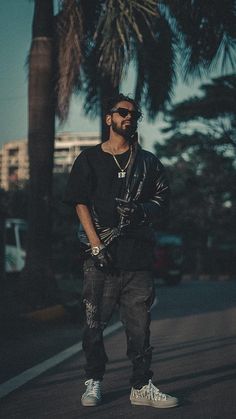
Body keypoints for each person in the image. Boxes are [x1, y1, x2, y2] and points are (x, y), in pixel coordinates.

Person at [64, 93, 179, 409]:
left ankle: (141, 386)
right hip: (99, 259)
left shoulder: (148, 161)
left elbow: (163, 201)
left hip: (138, 259)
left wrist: (140, 211)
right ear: (109, 118)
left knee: (140, 327)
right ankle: (94, 381)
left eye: (135, 114)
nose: (129, 117)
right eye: (123, 112)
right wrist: (96, 244)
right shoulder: (88, 159)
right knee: (94, 324)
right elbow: (80, 203)